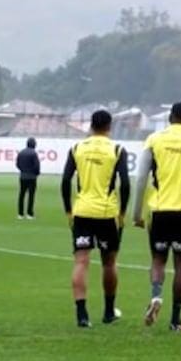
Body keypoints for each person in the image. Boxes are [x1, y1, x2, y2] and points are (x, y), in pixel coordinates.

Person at [131, 102, 181, 332]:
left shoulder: (154, 139)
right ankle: (176, 319)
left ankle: (156, 296)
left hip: (158, 210)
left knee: (157, 259)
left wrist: (137, 214)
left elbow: (141, 178)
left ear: (170, 118)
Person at [61, 110, 130, 328]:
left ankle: (82, 314)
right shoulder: (117, 150)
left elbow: (65, 180)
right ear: (109, 126)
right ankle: (109, 311)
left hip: (82, 211)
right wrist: (122, 212)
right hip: (107, 212)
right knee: (109, 262)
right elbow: (125, 184)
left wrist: (68, 210)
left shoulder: (77, 148)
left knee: (81, 261)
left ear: (91, 126)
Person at [16, 137, 41, 220]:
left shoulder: (21, 153)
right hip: (32, 177)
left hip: (22, 176)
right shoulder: (34, 153)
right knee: (31, 195)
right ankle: (30, 214)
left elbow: (17, 164)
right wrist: (36, 173)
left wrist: (23, 170)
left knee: (21, 195)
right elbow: (37, 166)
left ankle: (20, 213)